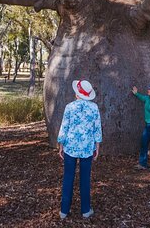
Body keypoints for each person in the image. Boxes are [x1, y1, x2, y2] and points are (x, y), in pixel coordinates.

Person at [57, 79, 102, 220]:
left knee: (68, 177)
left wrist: (60, 145)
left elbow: (64, 126)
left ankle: (64, 211)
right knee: (85, 179)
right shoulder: (94, 107)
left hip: (70, 147)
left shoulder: (69, 107)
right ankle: (85, 210)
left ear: (77, 94)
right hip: (87, 148)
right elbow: (97, 129)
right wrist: (97, 146)